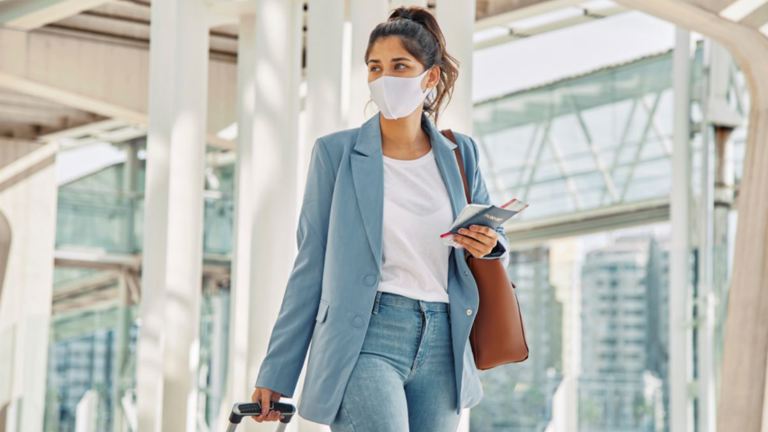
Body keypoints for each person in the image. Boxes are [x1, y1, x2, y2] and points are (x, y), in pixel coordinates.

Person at [250, 5, 510, 431]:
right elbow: (309, 264)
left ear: (430, 77)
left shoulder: (461, 154)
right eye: (375, 67)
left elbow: (493, 236)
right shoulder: (335, 154)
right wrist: (277, 372)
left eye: (399, 66)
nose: (384, 78)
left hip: (444, 342)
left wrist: (491, 244)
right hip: (365, 337)